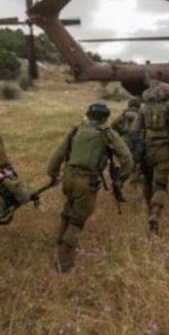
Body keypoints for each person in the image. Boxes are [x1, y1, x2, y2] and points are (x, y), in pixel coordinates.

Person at [46, 103, 133, 273]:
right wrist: (121, 179)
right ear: (105, 118)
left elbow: (58, 154)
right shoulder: (107, 133)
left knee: (69, 207)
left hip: (68, 177)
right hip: (86, 180)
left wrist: (53, 173)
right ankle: (64, 261)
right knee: (77, 220)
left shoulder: (76, 129)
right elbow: (127, 160)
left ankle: (59, 239)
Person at [132, 82, 169, 234]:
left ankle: (148, 211)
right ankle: (155, 215)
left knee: (147, 181)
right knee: (160, 185)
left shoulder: (143, 108)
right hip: (165, 150)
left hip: (147, 149)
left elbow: (134, 130)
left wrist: (138, 148)